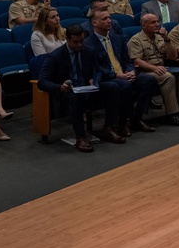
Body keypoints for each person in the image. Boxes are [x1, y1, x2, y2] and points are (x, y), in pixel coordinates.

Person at [39, 24, 130, 152]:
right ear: (67, 39)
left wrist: (95, 79)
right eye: (75, 42)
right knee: (76, 96)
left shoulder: (89, 51)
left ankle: (109, 128)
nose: (79, 45)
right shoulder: (55, 56)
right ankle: (80, 136)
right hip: (67, 93)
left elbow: (98, 70)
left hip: (87, 87)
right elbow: (42, 81)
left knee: (113, 87)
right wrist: (60, 87)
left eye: (81, 41)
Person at [86, 9, 157, 133]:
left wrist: (131, 71)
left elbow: (127, 60)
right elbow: (95, 68)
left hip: (124, 75)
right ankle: (121, 122)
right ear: (94, 22)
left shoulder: (117, 38)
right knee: (124, 85)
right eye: (104, 19)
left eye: (109, 18)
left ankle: (137, 118)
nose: (109, 21)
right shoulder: (88, 43)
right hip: (106, 78)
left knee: (149, 79)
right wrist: (118, 75)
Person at [128, 13, 179, 126]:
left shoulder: (160, 37)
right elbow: (137, 61)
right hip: (146, 71)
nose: (157, 24)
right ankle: (172, 114)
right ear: (144, 25)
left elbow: (173, 57)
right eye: (153, 22)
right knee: (168, 77)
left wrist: (167, 40)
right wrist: (154, 68)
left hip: (162, 67)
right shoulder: (135, 40)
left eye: (157, 22)